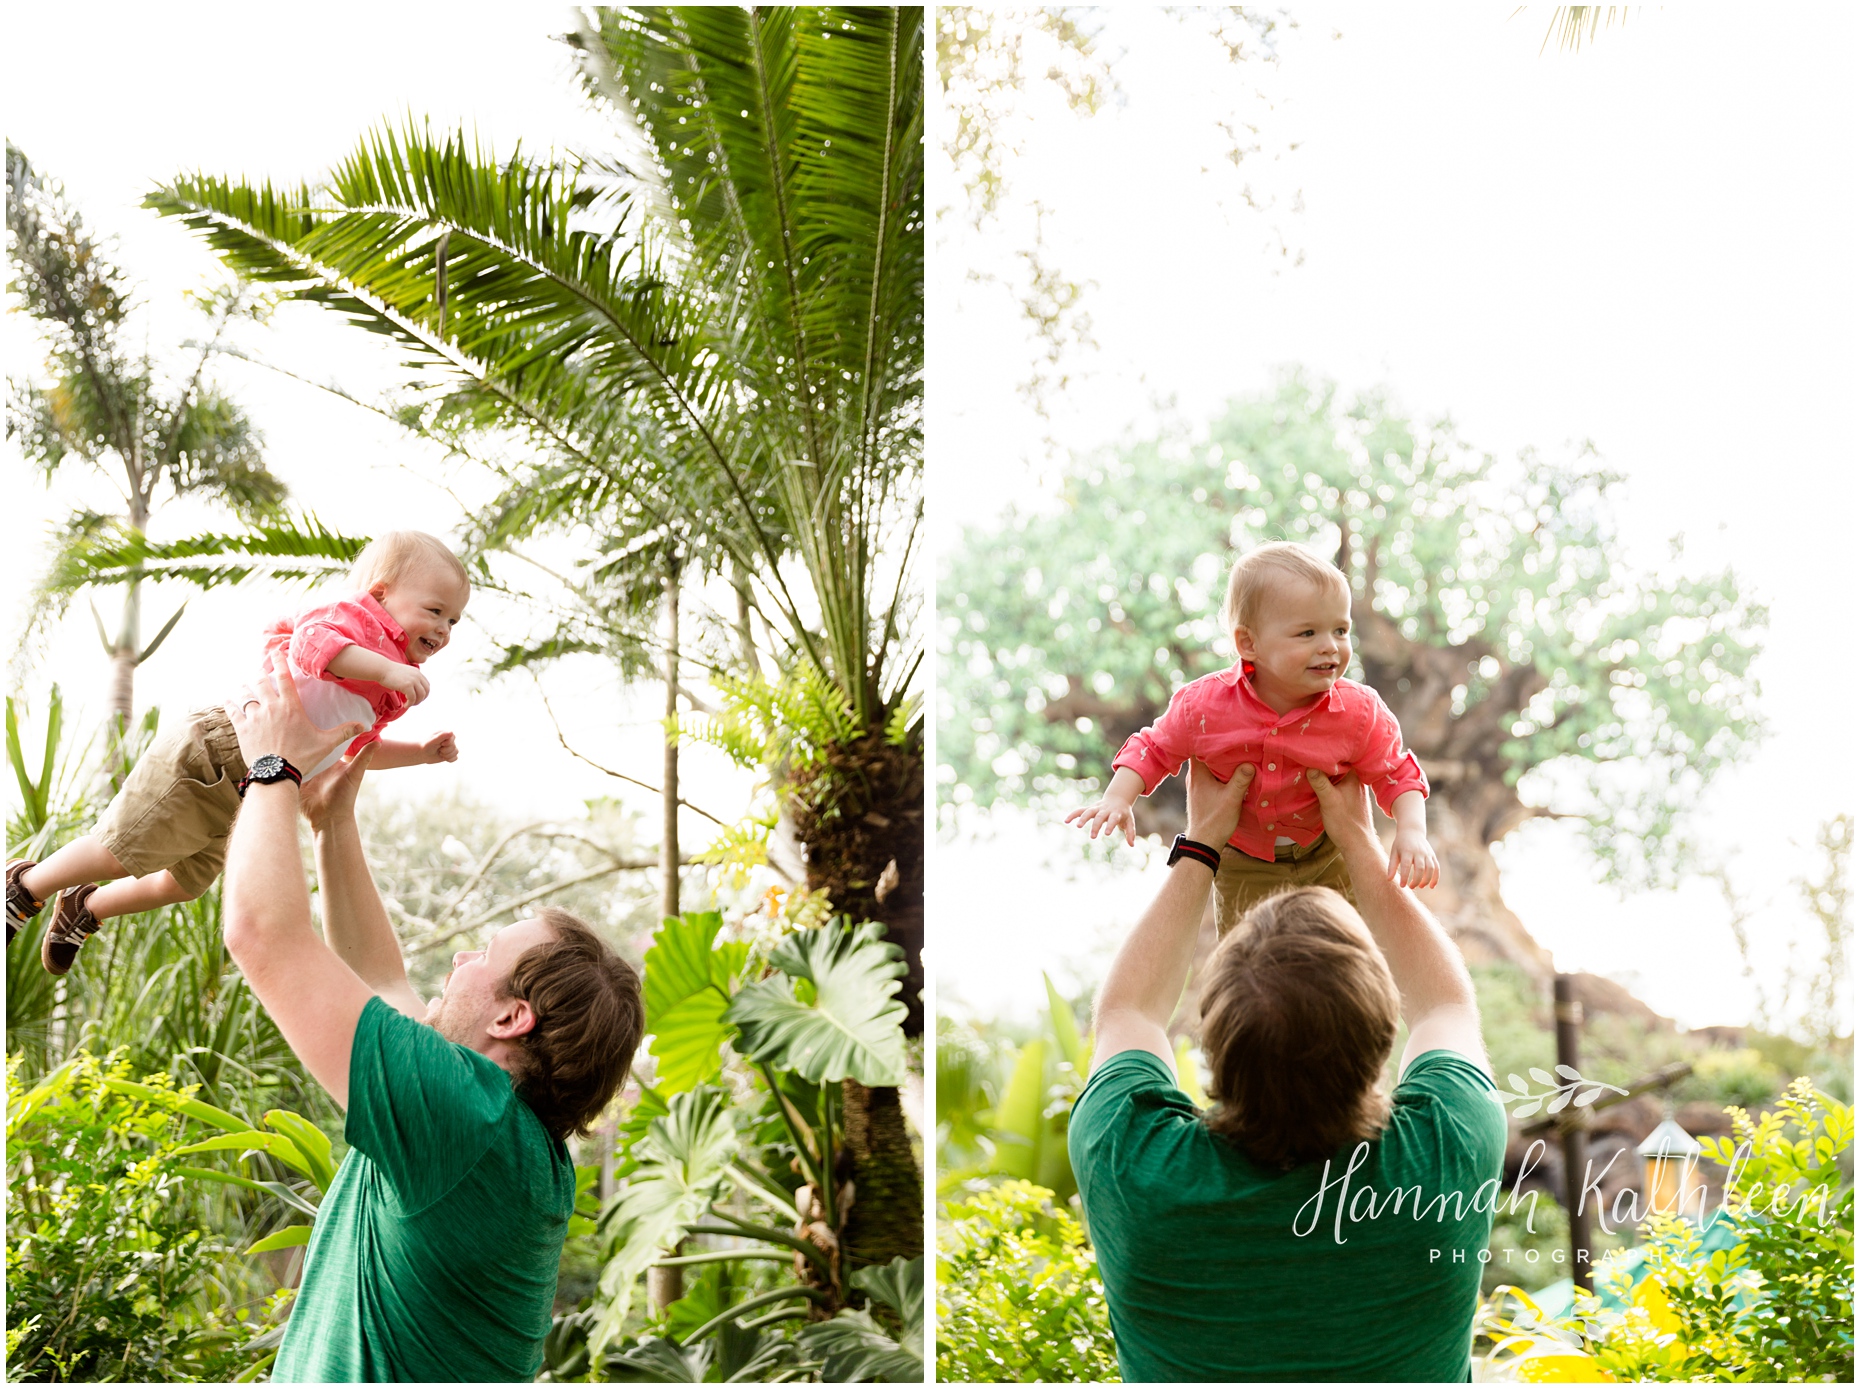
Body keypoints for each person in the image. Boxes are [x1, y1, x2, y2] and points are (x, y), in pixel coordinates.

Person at [211, 651, 643, 1382]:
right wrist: (332, 826)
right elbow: (382, 980)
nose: (457, 961)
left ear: (512, 1017)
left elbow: (260, 930)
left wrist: (273, 766)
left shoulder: (465, 1122)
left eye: (482, 953)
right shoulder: (508, 1142)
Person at [1068, 757, 1506, 1382]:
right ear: (1383, 1040)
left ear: (1214, 1051)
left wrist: (1203, 840)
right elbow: (1444, 1004)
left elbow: (1127, 1012)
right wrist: (1359, 839)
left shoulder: (1133, 1165)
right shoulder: (1445, 1151)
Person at [7, 531, 467, 974]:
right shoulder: (357, 621)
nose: (444, 629)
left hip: (259, 788)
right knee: (120, 851)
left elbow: (358, 748)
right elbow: (315, 648)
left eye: (453, 621)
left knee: (184, 884)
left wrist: (421, 753)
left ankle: (85, 906)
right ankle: (23, 887)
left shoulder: (392, 683)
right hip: (219, 750)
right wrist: (387, 670)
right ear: (381, 593)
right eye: (435, 610)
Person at [1066, 541, 1440, 936]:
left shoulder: (1359, 712)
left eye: (1340, 630)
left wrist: (1411, 830)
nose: (1330, 645)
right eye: (1307, 632)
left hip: (1328, 854)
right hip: (1244, 860)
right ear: (1249, 644)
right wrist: (1118, 798)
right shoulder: (1204, 707)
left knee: (1343, 948)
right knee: (1247, 954)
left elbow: (1396, 772)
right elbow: (1154, 748)